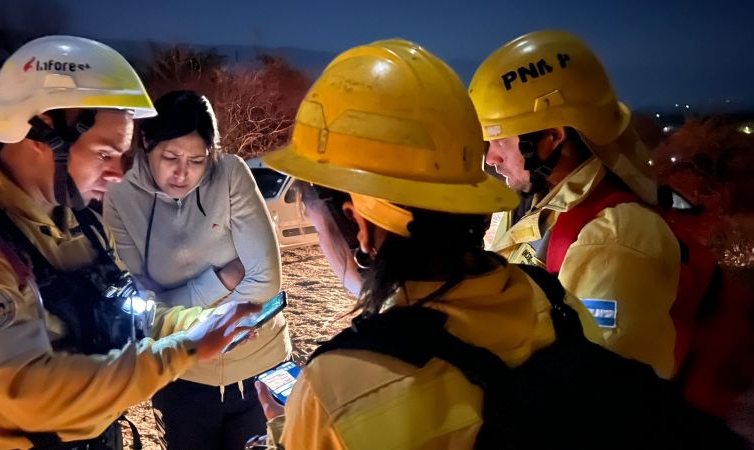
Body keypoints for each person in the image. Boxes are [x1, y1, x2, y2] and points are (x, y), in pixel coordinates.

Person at [253, 38, 604, 449]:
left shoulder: (334, 388)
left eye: (316, 215)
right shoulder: (551, 300)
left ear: (358, 225)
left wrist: (291, 431)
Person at [0, 35, 261, 450]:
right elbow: (29, 396)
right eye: (104, 154)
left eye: (123, 155)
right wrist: (184, 350)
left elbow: (129, 313)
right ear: (39, 134)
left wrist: (201, 324)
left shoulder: (84, 224)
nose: (119, 173)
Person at [468, 30, 681, 378]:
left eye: (500, 140)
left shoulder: (615, 240)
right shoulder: (530, 201)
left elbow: (607, 400)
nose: (490, 159)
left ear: (552, 137)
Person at [103, 90, 291, 449]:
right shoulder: (120, 196)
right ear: (146, 145)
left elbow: (266, 280)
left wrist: (198, 317)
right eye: (170, 156)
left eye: (197, 160)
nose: (182, 173)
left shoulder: (231, 174)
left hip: (260, 363)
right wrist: (221, 279)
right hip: (183, 374)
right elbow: (140, 303)